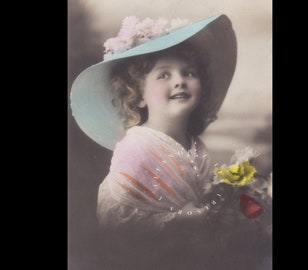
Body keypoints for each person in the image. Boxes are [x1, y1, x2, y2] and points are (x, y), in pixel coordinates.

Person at [70, 14, 271, 269]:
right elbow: (124, 226)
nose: (179, 80)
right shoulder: (136, 148)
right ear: (138, 94)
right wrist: (190, 217)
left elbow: (203, 205)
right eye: (163, 75)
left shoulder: (197, 147)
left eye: (189, 72)